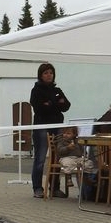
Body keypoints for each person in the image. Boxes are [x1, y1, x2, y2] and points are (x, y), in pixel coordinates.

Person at [29, 62, 71, 198]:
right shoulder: (36, 90)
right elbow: (39, 108)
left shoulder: (57, 90)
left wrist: (50, 103)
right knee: (40, 158)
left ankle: (54, 187)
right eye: (46, 73)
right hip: (42, 127)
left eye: (51, 73)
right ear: (41, 75)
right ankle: (37, 188)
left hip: (57, 126)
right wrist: (55, 103)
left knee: (56, 157)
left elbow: (66, 105)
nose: (49, 75)